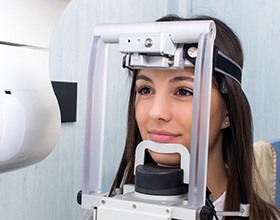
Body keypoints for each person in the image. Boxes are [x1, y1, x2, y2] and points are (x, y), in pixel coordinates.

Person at [108, 14, 280, 219]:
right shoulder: (104, 213)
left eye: (183, 92)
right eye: (145, 90)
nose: (156, 112)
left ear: (228, 111)